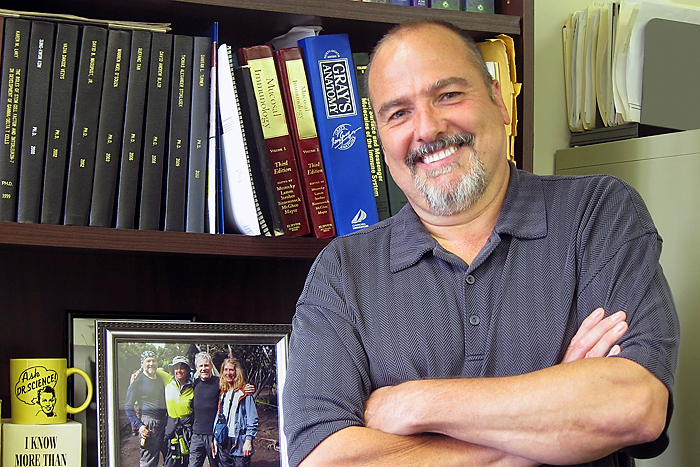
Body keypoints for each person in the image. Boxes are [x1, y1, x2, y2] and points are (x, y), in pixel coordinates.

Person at [283, 19, 680, 467]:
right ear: (381, 138)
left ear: (500, 100)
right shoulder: (343, 270)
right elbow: (325, 461)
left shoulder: (597, 213)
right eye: (398, 113)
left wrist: (414, 405)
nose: (428, 128)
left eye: (448, 95)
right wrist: (551, 424)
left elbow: (634, 407)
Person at [188, 352, 256, 467]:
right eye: (201, 366)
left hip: (217, 435)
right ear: (196, 368)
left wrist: (249, 388)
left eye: (206, 365)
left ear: (211, 366)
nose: (204, 369)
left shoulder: (219, 384)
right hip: (201, 434)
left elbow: (252, 417)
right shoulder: (195, 384)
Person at [125, 350, 167, 467]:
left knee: (171, 458)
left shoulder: (160, 378)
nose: (151, 363)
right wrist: (139, 426)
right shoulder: (138, 382)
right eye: (148, 361)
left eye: (154, 361)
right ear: (142, 363)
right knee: (149, 461)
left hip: (165, 422)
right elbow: (128, 407)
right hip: (149, 424)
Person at [214, 358, 258, 467]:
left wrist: (249, 440)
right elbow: (218, 415)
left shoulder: (245, 393)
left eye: (231, 370)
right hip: (223, 440)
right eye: (226, 370)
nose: (228, 373)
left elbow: (252, 419)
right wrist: (215, 438)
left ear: (236, 372)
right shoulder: (223, 393)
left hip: (239, 441)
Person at [163, 356, 195, 467]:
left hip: (187, 429)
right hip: (172, 429)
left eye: (182, 368)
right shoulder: (168, 382)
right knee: (171, 460)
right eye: (176, 368)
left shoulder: (193, 386)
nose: (179, 371)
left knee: (187, 460)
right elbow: (153, 369)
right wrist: (138, 373)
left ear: (187, 370)